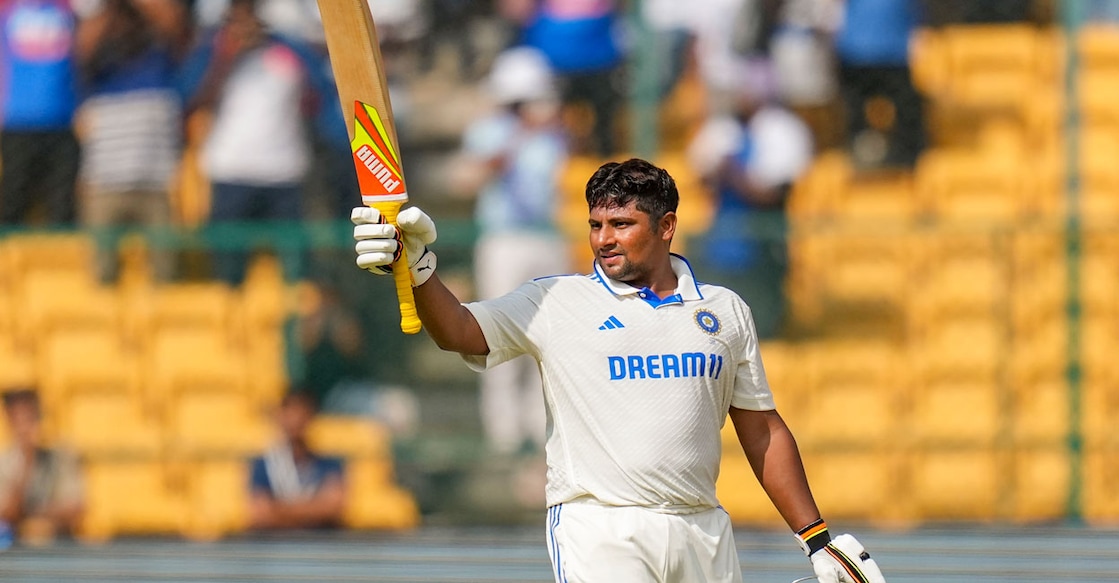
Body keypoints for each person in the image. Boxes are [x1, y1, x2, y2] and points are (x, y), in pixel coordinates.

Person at [350, 158, 886, 582]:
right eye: (596, 225)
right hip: (600, 525)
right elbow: (459, 332)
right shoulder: (556, 299)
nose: (604, 239)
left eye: (622, 224)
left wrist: (816, 537)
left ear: (667, 226)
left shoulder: (724, 311)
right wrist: (417, 269)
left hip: (702, 527)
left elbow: (763, 431)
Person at [447, 45, 570, 457]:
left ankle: (541, 426)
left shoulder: (556, 133)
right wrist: (519, 134)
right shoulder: (490, 131)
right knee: (497, 332)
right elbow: (468, 179)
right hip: (503, 238)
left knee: (548, 338)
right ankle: (503, 431)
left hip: (545, 235)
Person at [73, 0, 191, 283]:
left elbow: (174, 21)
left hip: (155, 183)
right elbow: (82, 46)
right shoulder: (101, 62)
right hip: (105, 183)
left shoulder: (158, 56)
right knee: (102, 271)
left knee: (165, 271)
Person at [686, 85, 814, 339]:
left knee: (760, 328)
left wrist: (731, 171)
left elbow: (770, 194)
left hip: (761, 250)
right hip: (723, 246)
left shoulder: (779, 133)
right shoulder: (724, 133)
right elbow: (703, 181)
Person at [0, 0, 81, 226]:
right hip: (16, 123)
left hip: (63, 123)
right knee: (12, 206)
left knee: (62, 210)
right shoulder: (6, 7)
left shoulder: (69, 7)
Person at [247, 390, 346, 530]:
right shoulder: (263, 465)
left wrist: (279, 509)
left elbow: (333, 508)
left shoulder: (330, 463)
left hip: (320, 546)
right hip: (276, 547)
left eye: (302, 414)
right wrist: (314, 508)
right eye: (290, 413)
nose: (296, 420)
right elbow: (261, 514)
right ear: (279, 417)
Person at [0, 388, 85, 545]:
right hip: (16, 548)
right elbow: (6, 515)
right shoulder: (4, 463)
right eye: (19, 420)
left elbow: (75, 509)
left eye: (30, 419)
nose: (25, 428)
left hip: (59, 546)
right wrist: (26, 463)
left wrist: (33, 516)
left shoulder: (61, 458)